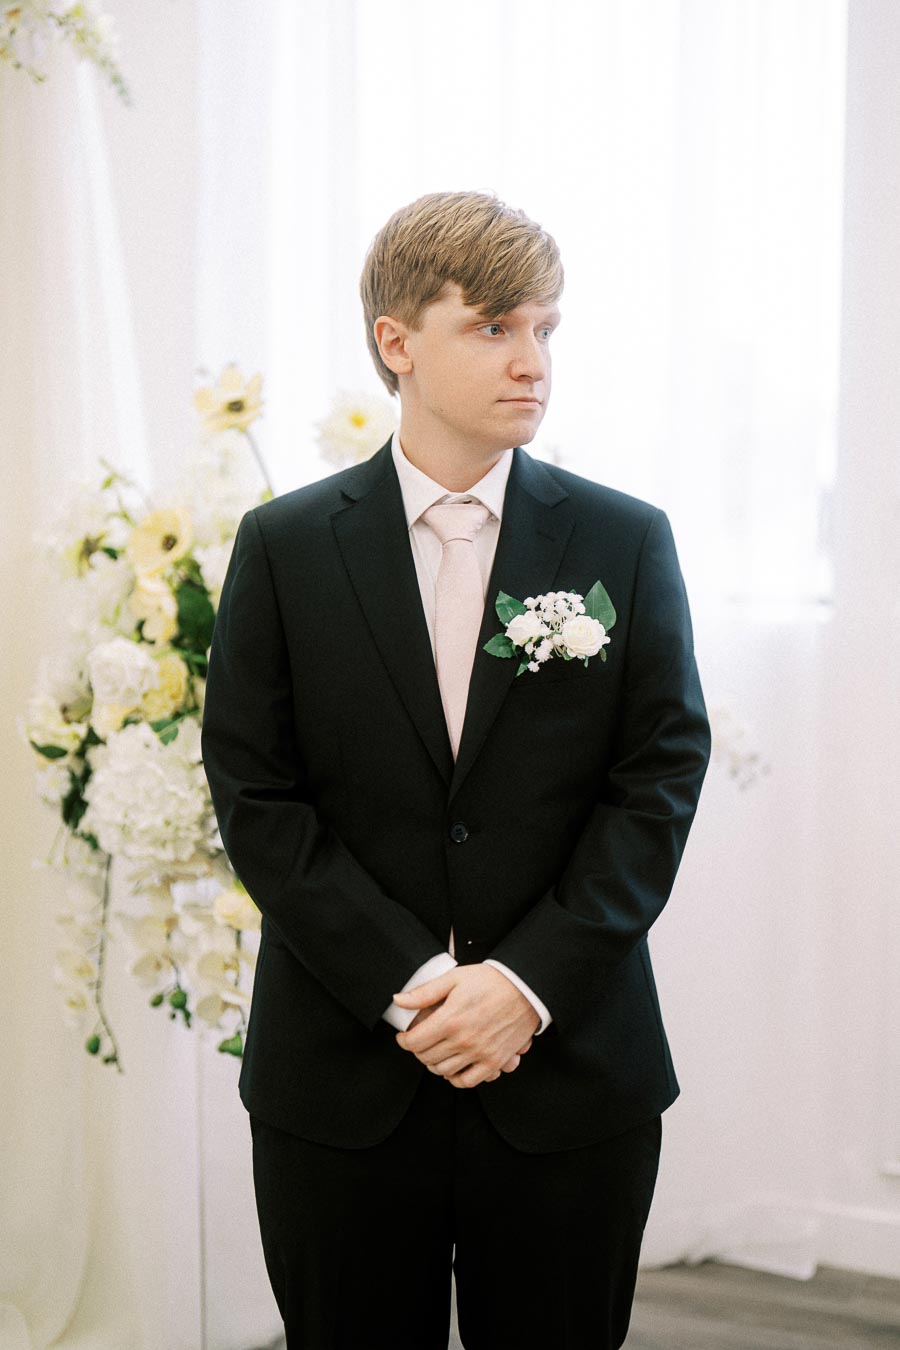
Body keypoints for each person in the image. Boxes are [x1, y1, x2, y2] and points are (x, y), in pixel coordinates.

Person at [200, 189, 711, 1350]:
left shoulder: (625, 539)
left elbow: (659, 778)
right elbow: (255, 792)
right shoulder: (282, 548)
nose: (533, 360)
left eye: (547, 328)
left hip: (570, 1068)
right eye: (495, 327)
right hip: (341, 1077)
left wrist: (521, 985)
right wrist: (414, 985)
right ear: (397, 343)